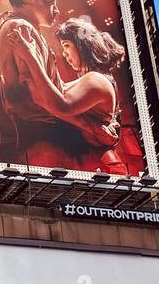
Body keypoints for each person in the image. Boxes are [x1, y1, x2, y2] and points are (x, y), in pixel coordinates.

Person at [0, 0, 119, 169]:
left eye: (67, 46)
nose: (57, 11)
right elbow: (40, 97)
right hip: (44, 139)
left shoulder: (94, 80)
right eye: (51, 3)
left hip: (50, 142)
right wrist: (91, 126)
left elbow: (52, 97)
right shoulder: (22, 28)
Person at [55, 15, 131, 174]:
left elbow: (57, 104)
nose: (64, 54)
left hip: (102, 170)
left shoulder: (95, 80)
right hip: (98, 167)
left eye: (66, 45)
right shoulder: (92, 79)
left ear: (82, 46)